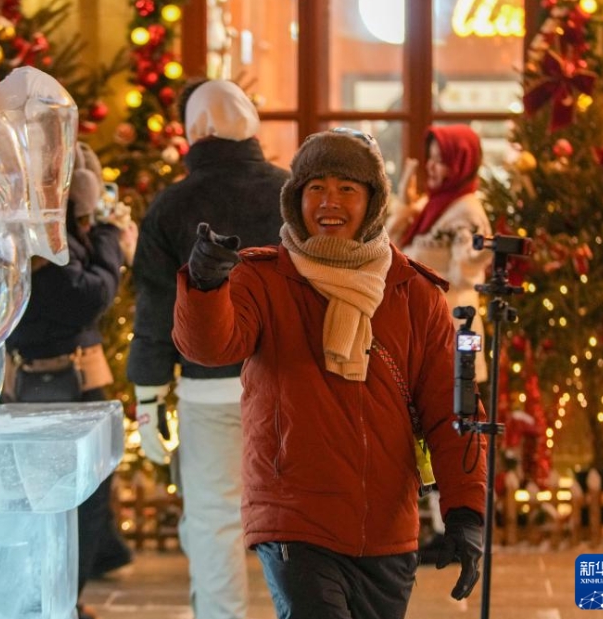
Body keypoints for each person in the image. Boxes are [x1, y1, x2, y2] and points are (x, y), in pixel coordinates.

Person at [171, 128, 487, 619]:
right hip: (295, 519)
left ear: (374, 201)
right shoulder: (263, 278)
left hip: (386, 527)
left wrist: (466, 514)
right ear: (295, 198)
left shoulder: (413, 292)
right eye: (315, 187)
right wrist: (207, 285)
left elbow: (452, 408)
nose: (329, 201)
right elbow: (211, 347)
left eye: (347, 188)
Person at [127, 79, 289, 619]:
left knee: (213, 519)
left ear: (193, 133)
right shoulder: (291, 194)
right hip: (288, 383)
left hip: (208, 387)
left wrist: (148, 396)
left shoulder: (172, 205)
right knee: (299, 518)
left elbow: (154, 306)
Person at [6, 142, 136, 619]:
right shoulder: (38, 239)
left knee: (75, 498)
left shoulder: (43, 229)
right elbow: (85, 295)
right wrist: (106, 234)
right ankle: (58, 603)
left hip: (53, 381)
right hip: (56, 383)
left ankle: (61, 599)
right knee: (73, 500)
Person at [386, 124, 493, 563]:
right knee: (431, 430)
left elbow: (466, 273)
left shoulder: (467, 211)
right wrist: (405, 212)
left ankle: (459, 526)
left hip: (457, 332)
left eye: (439, 158)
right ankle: (438, 523)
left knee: (456, 430)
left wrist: (474, 255)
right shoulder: (433, 206)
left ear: (461, 162)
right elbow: (390, 250)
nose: (431, 166)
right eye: (428, 157)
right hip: (427, 335)